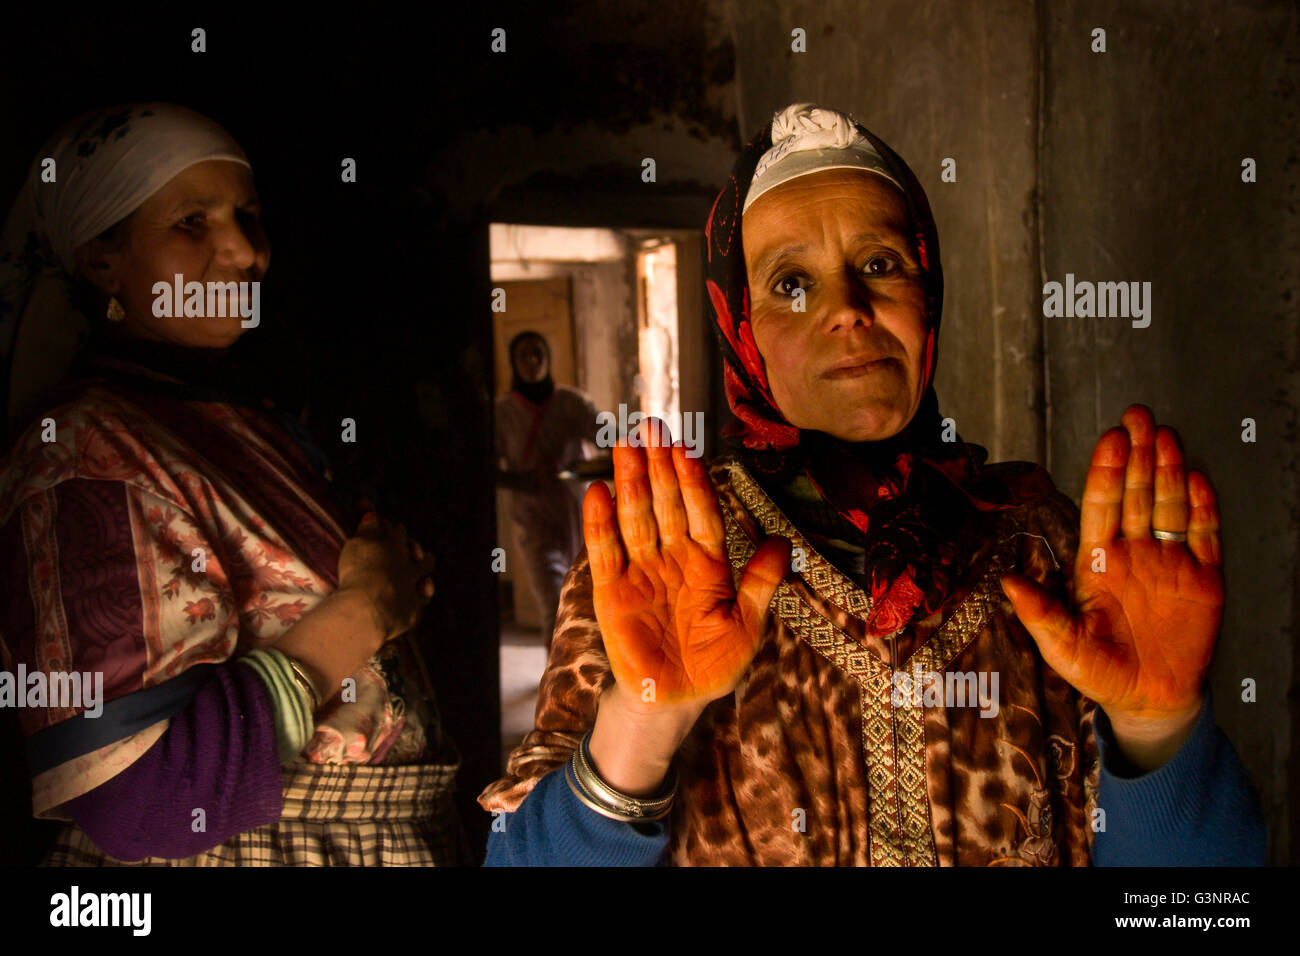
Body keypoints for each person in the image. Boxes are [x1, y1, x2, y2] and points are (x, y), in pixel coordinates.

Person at [479, 103, 1266, 866]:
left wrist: (1157, 733)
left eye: (880, 264)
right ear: (739, 327)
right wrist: (643, 725)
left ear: (930, 291)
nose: (849, 309)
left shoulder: (1042, 544)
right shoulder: (666, 559)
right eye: (791, 283)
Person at [0, 102, 464, 865]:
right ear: (101, 260)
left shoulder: (246, 420)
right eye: (193, 222)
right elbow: (140, 795)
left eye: (249, 217)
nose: (246, 252)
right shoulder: (83, 451)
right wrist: (366, 609)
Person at [494, 330, 605, 650]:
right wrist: (523, 482)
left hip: (574, 510)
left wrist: (634, 440)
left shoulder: (571, 402)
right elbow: (487, 467)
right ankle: (558, 679)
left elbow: (605, 435)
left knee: (582, 594)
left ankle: (585, 670)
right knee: (553, 598)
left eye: (538, 354)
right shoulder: (503, 412)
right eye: (523, 355)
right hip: (530, 516)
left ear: (548, 358)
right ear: (514, 363)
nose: (531, 361)